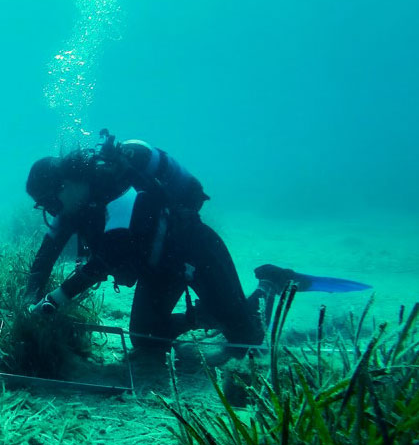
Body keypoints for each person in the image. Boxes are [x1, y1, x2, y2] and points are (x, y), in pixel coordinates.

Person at [23, 129, 297, 352]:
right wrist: (29, 297)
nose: (52, 212)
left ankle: (269, 283)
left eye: (49, 202)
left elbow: (108, 257)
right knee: (145, 338)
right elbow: (46, 253)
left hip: (195, 253)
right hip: (159, 270)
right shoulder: (75, 207)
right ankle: (208, 315)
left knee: (247, 339)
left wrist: (54, 300)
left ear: (64, 185)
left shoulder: (118, 186)